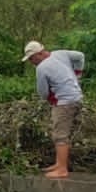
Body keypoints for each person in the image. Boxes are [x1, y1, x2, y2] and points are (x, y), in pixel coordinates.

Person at [24, 41, 82, 179]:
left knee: (60, 135)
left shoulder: (41, 68)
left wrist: (50, 99)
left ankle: (62, 169)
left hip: (64, 102)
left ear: (39, 54)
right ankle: (58, 163)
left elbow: (42, 91)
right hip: (76, 96)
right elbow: (80, 56)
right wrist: (78, 73)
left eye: (32, 58)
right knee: (60, 133)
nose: (31, 62)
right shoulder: (61, 54)